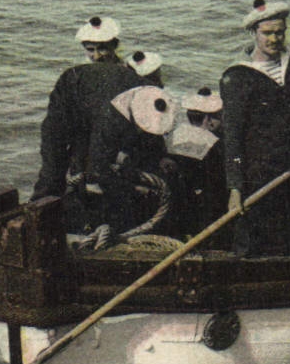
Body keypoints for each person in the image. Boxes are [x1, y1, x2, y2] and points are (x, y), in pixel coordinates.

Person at [219, 0, 290, 257]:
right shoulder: (236, 77)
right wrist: (235, 188)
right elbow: (233, 137)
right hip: (260, 171)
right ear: (254, 33)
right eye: (267, 33)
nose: (274, 39)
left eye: (279, 32)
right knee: (256, 234)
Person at [32, 16, 142, 201]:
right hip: (84, 143)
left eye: (102, 49)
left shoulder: (128, 76)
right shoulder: (78, 76)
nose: (96, 56)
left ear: (114, 45)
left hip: (115, 147)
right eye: (90, 50)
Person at [86, 85, 178, 235]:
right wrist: (133, 188)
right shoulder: (109, 123)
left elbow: (154, 136)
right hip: (104, 164)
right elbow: (98, 169)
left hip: (127, 158)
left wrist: (162, 157)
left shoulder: (151, 98)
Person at [164, 89, 230, 242]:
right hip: (201, 202)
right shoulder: (213, 142)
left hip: (175, 198)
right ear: (209, 118)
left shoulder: (173, 135)